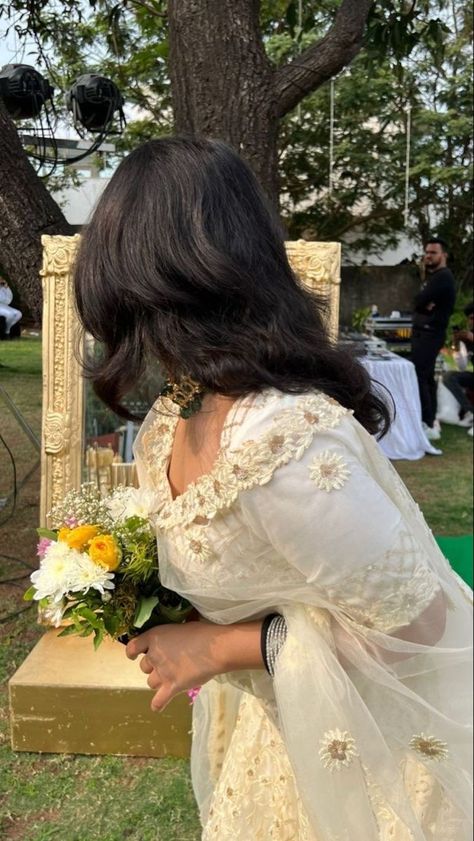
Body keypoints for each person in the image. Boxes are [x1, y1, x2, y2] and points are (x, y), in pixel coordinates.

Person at [74, 138, 472, 841]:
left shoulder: (283, 442)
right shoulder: (174, 419)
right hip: (284, 736)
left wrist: (222, 646)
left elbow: (421, 629)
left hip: (381, 756)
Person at [411, 238, 456, 441]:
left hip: (430, 333)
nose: (428, 256)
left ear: (443, 255)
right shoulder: (435, 277)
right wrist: (423, 303)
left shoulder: (442, 277)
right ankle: (430, 422)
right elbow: (421, 302)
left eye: (433, 252)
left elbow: (418, 301)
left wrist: (424, 303)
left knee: (420, 377)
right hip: (426, 332)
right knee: (427, 378)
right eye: (427, 252)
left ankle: (426, 422)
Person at [443, 302, 474, 436]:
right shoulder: (468, 337)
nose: (472, 321)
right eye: (471, 318)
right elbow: (462, 366)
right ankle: (470, 412)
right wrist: (457, 346)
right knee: (449, 377)